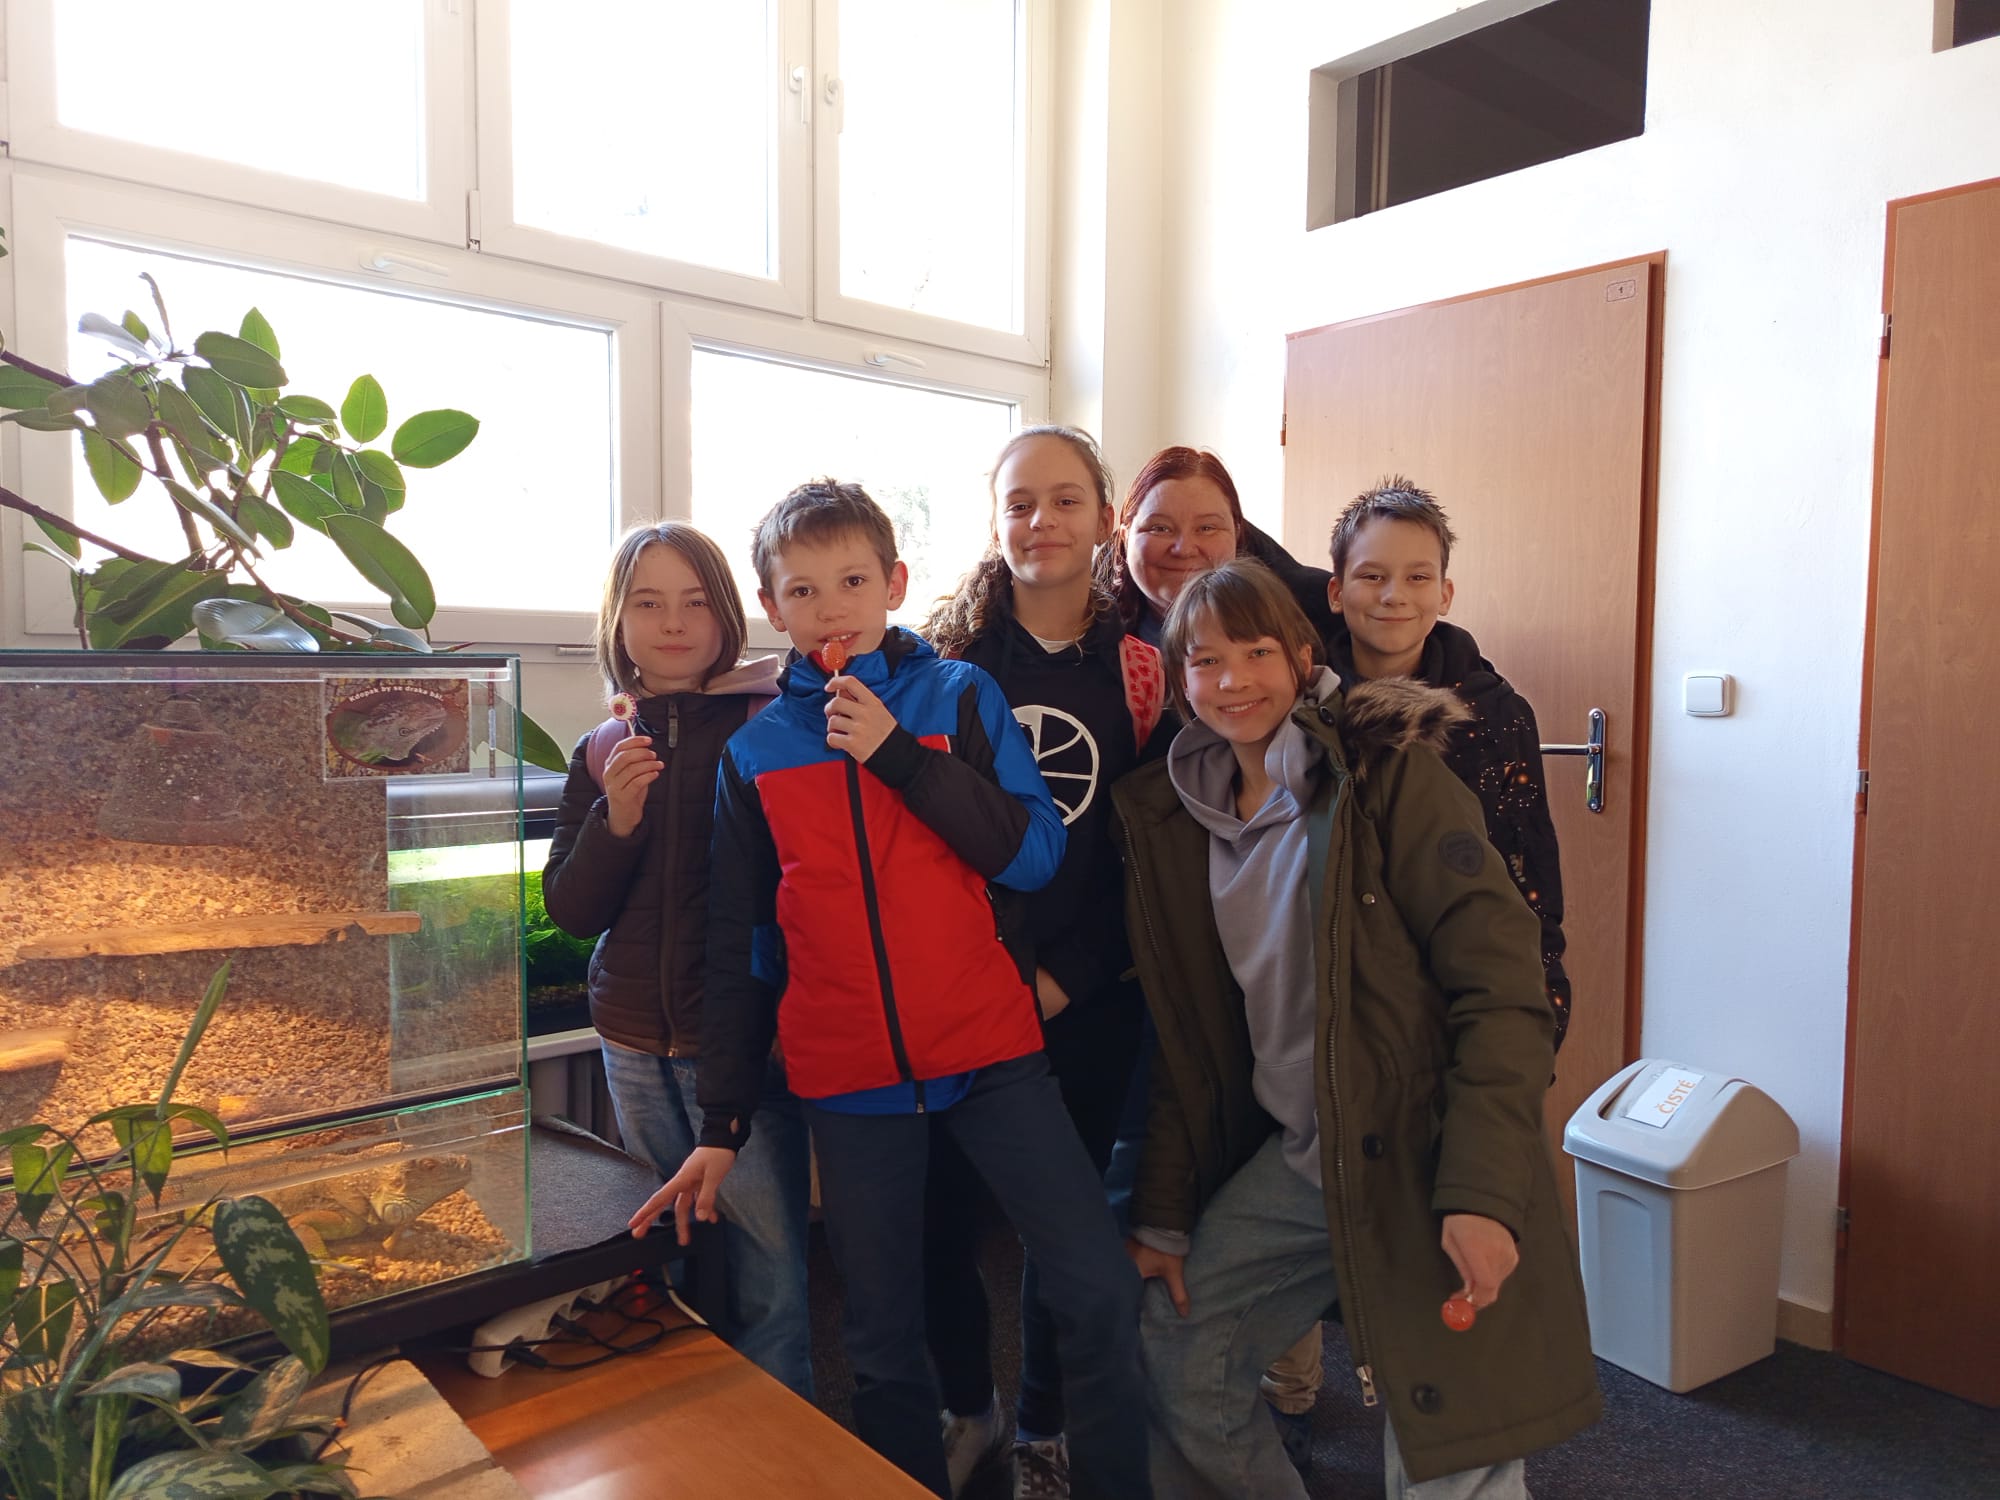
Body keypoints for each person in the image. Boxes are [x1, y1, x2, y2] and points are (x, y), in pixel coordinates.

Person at [629, 481, 1151, 1500]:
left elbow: (1034, 854)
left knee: (1094, 1288)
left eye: (853, 582)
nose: (832, 608)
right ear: (772, 608)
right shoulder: (754, 755)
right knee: (878, 1339)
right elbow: (742, 948)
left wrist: (899, 758)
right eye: (803, 590)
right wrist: (723, 1121)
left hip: (995, 1055)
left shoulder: (959, 695)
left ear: (894, 584)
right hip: (850, 1077)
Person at [1113, 558, 1600, 1499]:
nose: (1233, 680)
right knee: (1180, 1348)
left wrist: (1484, 1193)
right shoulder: (1171, 821)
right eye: (1206, 661)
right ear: (1179, 683)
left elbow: (1506, 992)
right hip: (1305, 1158)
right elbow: (1187, 1040)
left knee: (1452, 1440)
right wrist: (1166, 1215)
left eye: (1258, 652)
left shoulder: (1389, 778)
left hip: (1424, 1150)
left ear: (1304, 660)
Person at [920, 427, 1162, 1499]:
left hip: (1086, 994)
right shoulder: (944, 663)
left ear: (1105, 518)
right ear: (995, 520)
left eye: (1065, 500)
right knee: (939, 1220)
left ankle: (1044, 1427)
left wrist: (1064, 978)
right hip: (955, 992)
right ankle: (966, 1408)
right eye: (1020, 502)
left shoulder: (1145, 670)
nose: (1041, 521)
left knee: (1063, 1235)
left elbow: (1143, 854)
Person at [541, 522, 812, 1398]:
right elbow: (572, 911)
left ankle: (786, 1444)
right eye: (649, 603)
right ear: (618, 622)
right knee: (670, 1256)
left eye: (695, 602)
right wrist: (615, 822)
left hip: (735, 1042)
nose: (672, 623)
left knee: (771, 1266)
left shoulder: (769, 726)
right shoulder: (600, 745)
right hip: (629, 1041)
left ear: (728, 614)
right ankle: (697, 1438)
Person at [1322, 476, 1571, 1051]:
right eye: (1372, 576)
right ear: (1335, 591)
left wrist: (1544, 1011)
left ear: (1445, 593)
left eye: (1418, 577)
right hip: (1335, 1001)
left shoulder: (1498, 713)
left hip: (1459, 994)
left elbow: (1529, 876)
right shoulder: (1303, 704)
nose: (1395, 596)